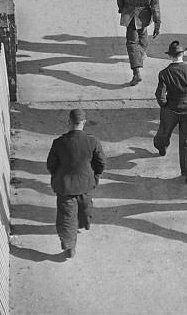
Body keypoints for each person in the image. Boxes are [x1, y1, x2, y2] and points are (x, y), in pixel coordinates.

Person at [46, 108, 105, 259]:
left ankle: (69, 246)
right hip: (86, 184)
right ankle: (84, 223)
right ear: (84, 122)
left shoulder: (59, 142)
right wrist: (95, 177)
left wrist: (57, 175)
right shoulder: (92, 141)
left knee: (66, 217)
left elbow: (51, 164)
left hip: (65, 187)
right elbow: (101, 163)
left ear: (69, 122)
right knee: (85, 207)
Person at [154, 41, 187, 184]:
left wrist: (164, 105)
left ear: (170, 56)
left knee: (164, 131)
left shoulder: (165, 73)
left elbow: (160, 94)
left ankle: (161, 147)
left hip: (171, 108)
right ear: (183, 54)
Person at [117, 0, 161, 86]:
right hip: (144, 18)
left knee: (133, 43)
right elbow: (155, 6)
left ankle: (138, 57)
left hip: (129, 16)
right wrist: (157, 24)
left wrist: (123, 10)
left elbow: (120, 0)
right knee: (139, 39)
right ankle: (137, 72)